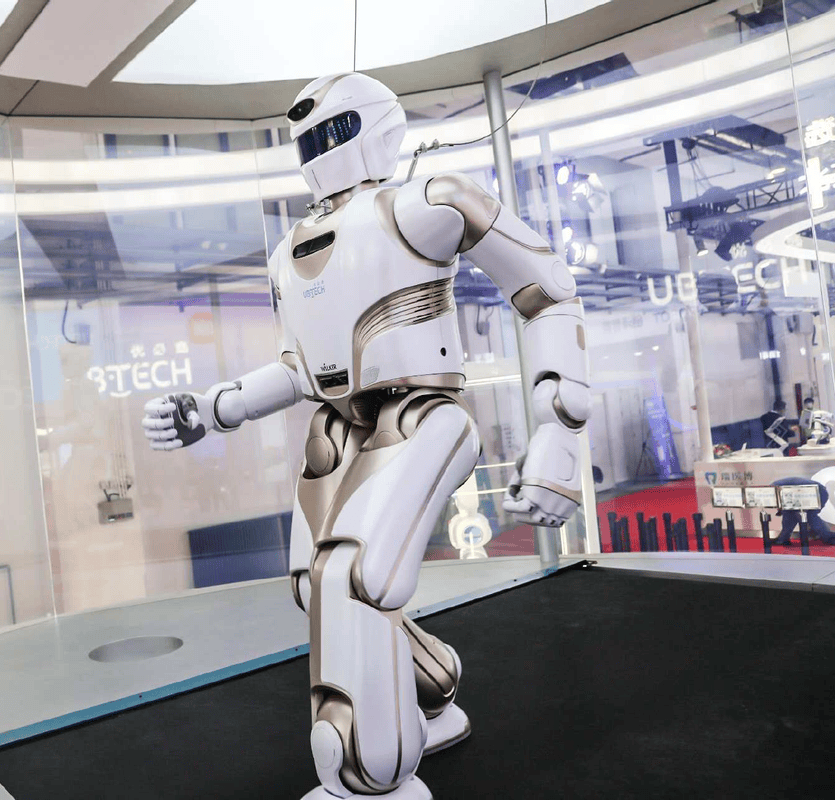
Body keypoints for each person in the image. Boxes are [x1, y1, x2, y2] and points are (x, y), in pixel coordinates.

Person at [141, 72, 588, 799]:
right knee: (312, 586)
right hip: (337, 426)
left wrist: (560, 432)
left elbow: (548, 293)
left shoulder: (426, 202)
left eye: (333, 132)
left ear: (378, 128)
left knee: (351, 577)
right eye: (307, 140)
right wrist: (215, 408)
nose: (319, 151)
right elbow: (298, 367)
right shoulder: (289, 251)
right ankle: (432, 684)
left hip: (421, 414)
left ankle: (368, 776)